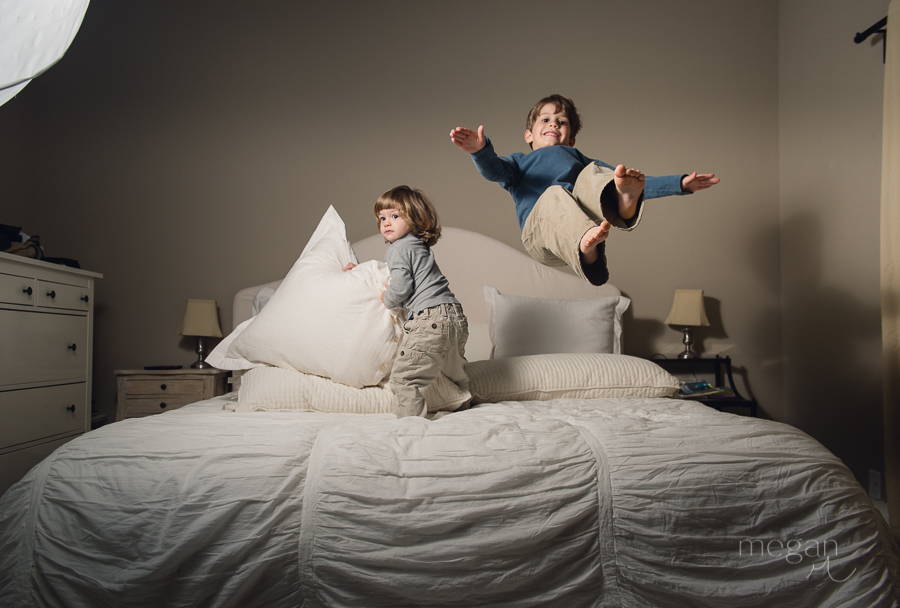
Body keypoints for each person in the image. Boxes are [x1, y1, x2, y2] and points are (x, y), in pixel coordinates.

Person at [450, 93, 719, 286]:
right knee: (554, 195)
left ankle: (611, 217)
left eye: (562, 121)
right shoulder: (520, 162)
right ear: (529, 135)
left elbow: (631, 179)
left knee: (600, 175)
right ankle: (587, 240)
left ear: (572, 138)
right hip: (540, 234)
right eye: (545, 120)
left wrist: (680, 183)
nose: (554, 124)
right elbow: (494, 170)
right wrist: (480, 150)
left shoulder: (578, 159)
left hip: (581, 229)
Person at [345, 186, 470, 418]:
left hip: (429, 319)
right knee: (455, 376)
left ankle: (410, 428)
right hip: (455, 316)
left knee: (402, 379)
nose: (386, 223)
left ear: (413, 218)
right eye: (382, 218)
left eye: (394, 216)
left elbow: (401, 286)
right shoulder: (417, 246)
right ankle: (464, 414)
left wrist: (388, 298)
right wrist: (360, 269)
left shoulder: (397, 249)